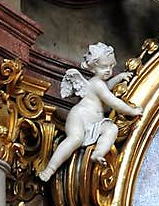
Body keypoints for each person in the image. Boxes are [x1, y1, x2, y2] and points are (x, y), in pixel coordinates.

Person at [38, 42, 142, 182]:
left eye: (111, 66)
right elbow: (112, 101)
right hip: (79, 117)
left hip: (94, 121)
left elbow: (106, 87)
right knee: (75, 138)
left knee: (112, 129)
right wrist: (131, 111)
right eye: (104, 67)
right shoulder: (96, 84)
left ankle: (98, 153)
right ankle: (49, 169)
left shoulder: (100, 84)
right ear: (93, 67)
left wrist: (118, 78)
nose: (109, 71)